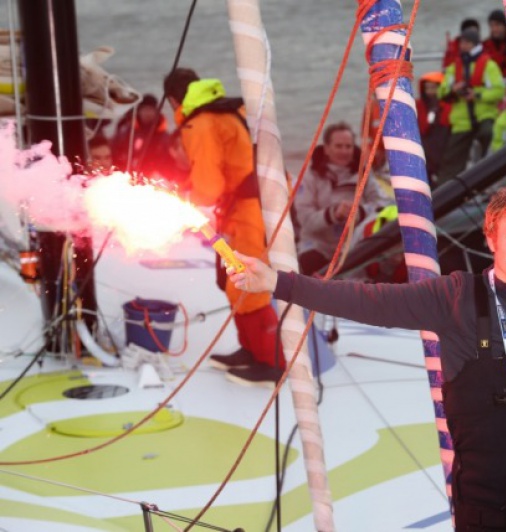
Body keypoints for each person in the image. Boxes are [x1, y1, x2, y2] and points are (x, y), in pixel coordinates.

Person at [230, 186, 506, 530]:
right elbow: (369, 301)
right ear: (491, 239)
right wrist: (278, 283)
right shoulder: (452, 297)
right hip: (485, 505)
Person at [163, 67, 284, 387]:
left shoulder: (199, 123)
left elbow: (209, 184)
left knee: (246, 282)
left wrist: (186, 203)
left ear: (174, 100)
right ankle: (251, 350)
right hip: (247, 206)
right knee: (230, 278)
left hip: (247, 209)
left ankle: (272, 363)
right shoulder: (229, 110)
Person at [293, 121, 389, 275]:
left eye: (348, 146)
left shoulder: (363, 172)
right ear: (326, 149)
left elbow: (382, 204)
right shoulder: (310, 177)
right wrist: (333, 213)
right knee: (311, 262)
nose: (344, 151)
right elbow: (305, 220)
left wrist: (360, 212)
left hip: (354, 244)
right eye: (338, 146)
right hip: (318, 245)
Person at [437, 28, 505, 185]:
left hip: (484, 116)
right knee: (451, 158)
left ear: (474, 44)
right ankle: (445, 192)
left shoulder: (488, 66)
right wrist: (453, 90)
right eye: (461, 42)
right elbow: (442, 93)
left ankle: (488, 183)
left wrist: (477, 94)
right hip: (462, 121)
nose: (462, 45)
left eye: (466, 42)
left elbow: (498, 91)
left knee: (488, 137)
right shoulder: (455, 67)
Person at [111, 93, 172, 176]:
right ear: (138, 111)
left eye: (151, 110)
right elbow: (115, 153)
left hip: (156, 177)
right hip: (127, 175)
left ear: (156, 112)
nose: (147, 113)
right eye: (144, 110)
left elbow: (169, 160)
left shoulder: (164, 136)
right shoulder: (126, 133)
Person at [415, 71, 451, 182]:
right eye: (427, 88)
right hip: (426, 148)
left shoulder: (448, 106)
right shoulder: (419, 106)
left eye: (433, 88)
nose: (430, 91)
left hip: (443, 146)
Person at [483, 9, 506, 79]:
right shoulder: (484, 46)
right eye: (491, 26)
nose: (494, 29)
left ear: (505, 25)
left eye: (497, 25)